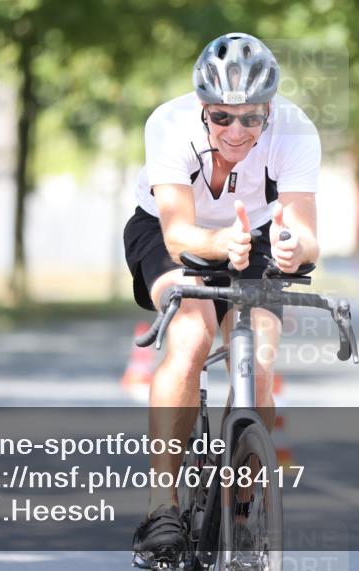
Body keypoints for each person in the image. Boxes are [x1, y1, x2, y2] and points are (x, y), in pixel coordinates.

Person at [124, 33, 321, 564]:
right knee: (192, 336)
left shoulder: (297, 130)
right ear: (202, 108)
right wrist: (217, 245)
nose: (236, 130)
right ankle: (163, 505)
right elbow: (177, 233)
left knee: (257, 362)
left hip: (256, 233)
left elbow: (306, 233)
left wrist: (290, 248)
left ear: (269, 110)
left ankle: (240, 502)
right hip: (170, 233)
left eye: (251, 118)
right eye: (222, 117)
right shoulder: (168, 123)